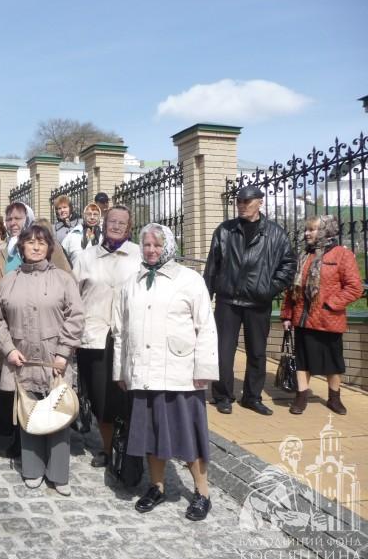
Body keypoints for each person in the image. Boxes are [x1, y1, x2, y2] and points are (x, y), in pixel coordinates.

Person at [112, 223, 219, 521]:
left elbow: (205, 326)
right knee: (150, 434)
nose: (151, 250)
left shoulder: (190, 279)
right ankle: (156, 486)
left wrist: (204, 368)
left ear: (169, 246)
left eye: (157, 245)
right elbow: (120, 331)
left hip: (180, 373)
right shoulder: (132, 282)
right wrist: (120, 370)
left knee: (188, 435)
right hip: (143, 372)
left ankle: (202, 492)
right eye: (146, 245)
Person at [0, 224, 85, 496]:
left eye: (41, 242)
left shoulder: (63, 279)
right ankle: (32, 469)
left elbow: (76, 317)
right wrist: (8, 349)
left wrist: (63, 352)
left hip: (55, 360)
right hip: (22, 360)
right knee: (29, 413)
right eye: (30, 242)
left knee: (58, 412)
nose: (36, 247)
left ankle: (58, 473)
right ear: (21, 246)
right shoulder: (9, 280)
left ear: (49, 247)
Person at [204, 185, 296, 416]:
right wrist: (206, 297)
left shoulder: (276, 233)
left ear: (260, 202)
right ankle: (223, 396)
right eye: (239, 201)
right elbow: (212, 266)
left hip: (258, 303)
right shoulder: (225, 230)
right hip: (227, 301)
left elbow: (288, 266)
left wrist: (268, 289)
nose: (242, 205)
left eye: (247, 201)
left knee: (257, 352)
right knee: (223, 352)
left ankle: (252, 397)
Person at [73, 205, 141, 467]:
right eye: (112, 221)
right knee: (102, 399)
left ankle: (131, 448)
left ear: (129, 227)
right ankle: (107, 447)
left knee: (129, 396)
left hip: (131, 337)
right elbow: (72, 296)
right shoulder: (86, 257)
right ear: (103, 223)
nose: (116, 226)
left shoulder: (139, 255)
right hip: (94, 337)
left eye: (122, 222)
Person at [280, 215, 363, 415]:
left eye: (312, 229)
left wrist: (330, 304)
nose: (307, 233)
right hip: (302, 319)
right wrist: (287, 315)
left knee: (333, 362)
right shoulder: (303, 255)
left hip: (328, 319)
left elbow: (355, 287)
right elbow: (292, 290)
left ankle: (334, 399)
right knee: (302, 361)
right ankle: (301, 397)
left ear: (327, 231)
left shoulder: (342, 255)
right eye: (306, 229)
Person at [0, 201, 36, 458]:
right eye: (10, 218)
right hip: (4, 327)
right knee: (8, 382)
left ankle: (30, 437)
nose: (13, 223)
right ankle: (14, 432)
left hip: (33, 327)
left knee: (30, 383)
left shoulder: (42, 245)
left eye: (18, 218)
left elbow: (62, 280)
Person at [62, 202, 102, 267]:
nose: (92, 217)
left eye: (95, 214)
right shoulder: (73, 234)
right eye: (89, 214)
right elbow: (62, 257)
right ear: (84, 216)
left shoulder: (104, 236)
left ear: (99, 216)